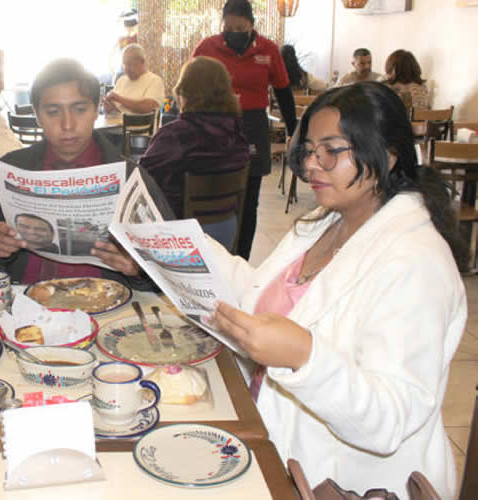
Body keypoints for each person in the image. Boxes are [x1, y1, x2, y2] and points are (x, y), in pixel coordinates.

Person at [210, 82, 465, 498]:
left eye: (332, 150)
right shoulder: (328, 222)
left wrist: (304, 357)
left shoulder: (416, 262)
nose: (312, 165)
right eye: (309, 150)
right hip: (273, 439)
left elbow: (390, 418)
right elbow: (264, 293)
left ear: (388, 153)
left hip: (349, 481)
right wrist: (185, 253)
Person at [0, 58, 175, 286]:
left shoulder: (131, 178)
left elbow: (173, 271)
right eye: (53, 112)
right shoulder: (11, 171)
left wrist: (139, 269)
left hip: (111, 311)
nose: (68, 125)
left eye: (80, 109)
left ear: (96, 109)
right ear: (37, 114)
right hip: (27, 305)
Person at [191, 0, 297, 260]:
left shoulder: (268, 50)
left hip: (252, 125)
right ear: (222, 24)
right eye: (229, 27)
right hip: (214, 123)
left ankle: (242, 260)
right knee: (214, 192)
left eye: (241, 27)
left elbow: (283, 91)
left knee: (249, 199)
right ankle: (212, 257)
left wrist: (294, 129)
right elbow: (191, 84)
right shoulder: (208, 47)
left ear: (252, 25)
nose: (234, 32)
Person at [139, 56, 249, 251]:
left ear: (184, 92)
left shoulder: (177, 134)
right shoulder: (237, 134)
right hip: (225, 234)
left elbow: (142, 180)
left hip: (180, 237)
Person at [103, 44, 165, 115]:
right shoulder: (121, 80)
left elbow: (147, 107)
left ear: (142, 62)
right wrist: (109, 107)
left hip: (140, 125)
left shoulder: (155, 80)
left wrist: (118, 98)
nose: (126, 69)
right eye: (124, 64)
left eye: (129, 64)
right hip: (115, 124)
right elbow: (117, 108)